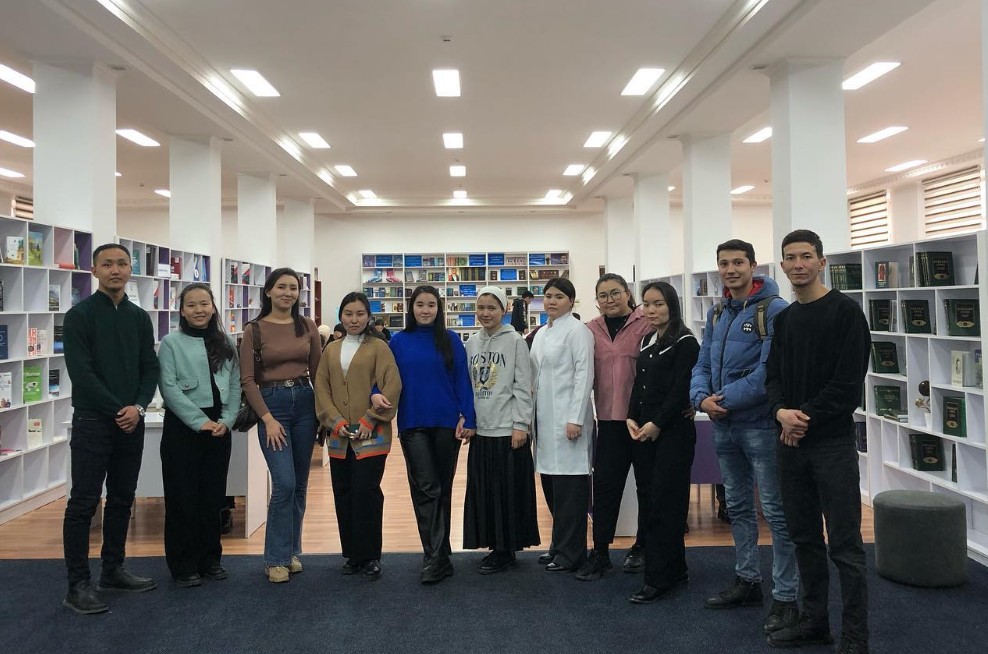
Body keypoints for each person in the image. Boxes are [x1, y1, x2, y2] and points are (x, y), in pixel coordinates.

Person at [765, 230, 871, 653]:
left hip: (831, 445)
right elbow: (773, 377)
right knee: (804, 538)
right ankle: (815, 622)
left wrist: (800, 417)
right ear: (783, 265)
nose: (798, 264)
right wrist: (780, 412)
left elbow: (847, 386)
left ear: (822, 262)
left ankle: (855, 636)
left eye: (806, 256)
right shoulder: (785, 319)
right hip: (790, 445)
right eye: (790, 258)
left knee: (845, 546)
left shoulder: (846, 313)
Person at [689, 239, 799, 634]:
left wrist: (722, 400)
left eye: (738, 262)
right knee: (737, 506)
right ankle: (748, 580)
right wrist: (700, 398)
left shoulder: (775, 310)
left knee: (776, 512)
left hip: (760, 427)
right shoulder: (718, 311)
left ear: (753, 266)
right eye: (724, 263)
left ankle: (786, 597)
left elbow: (769, 372)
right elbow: (703, 362)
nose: (730, 270)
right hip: (724, 426)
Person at [61, 243, 160, 615]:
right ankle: (77, 585)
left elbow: (150, 367)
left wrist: (138, 407)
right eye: (107, 264)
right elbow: (81, 373)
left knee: (122, 498)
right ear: (94, 271)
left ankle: (113, 570)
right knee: (84, 503)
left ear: (130, 269)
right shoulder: (80, 316)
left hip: (131, 422)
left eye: (121, 263)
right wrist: (119, 408)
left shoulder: (138, 317)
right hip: (93, 421)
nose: (115, 270)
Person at [375, 285, 476, 584]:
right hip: (413, 423)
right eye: (420, 304)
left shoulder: (451, 340)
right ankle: (435, 557)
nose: (425, 310)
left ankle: (439, 553)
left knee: (442, 488)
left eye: (431, 305)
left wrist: (468, 415)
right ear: (411, 307)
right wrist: (374, 392)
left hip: (446, 423)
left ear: (439, 308)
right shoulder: (398, 342)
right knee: (425, 488)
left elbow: (462, 379)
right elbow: (383, 376)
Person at [240, 268, 321, 583]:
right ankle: (274, 559)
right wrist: (267, 418)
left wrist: (323, 413)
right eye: (282, 287)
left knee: (299, 485)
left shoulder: (307, 326)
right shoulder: (254, 330)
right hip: (272, 405)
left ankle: (291, 552)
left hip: (305, 403)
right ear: (269, 292)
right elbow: (248, 380)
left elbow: (318, 372)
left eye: (293, 288)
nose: (288, 293)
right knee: (284, 483)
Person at [314, 292, 401, 580]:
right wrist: (335, 421)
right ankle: (352, 554)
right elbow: (322, 388)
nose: (354, 319)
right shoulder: (331, 349)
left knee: (367, 491)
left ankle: (370, 555)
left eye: (360, 314)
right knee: (344, 492)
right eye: (348, 314)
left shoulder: (379, 347)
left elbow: (392, 385)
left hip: (372, 434)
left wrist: (370, 418)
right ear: (341, 316)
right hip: (339, 436)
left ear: (369, 317)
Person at [157, 283, 240, 588]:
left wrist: (227, 420)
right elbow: (168, 388)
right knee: (183, 498)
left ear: (213, 307)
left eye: (204, 304)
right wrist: (199, 421)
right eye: (191, 305)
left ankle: (210, 560)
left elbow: (235, 385)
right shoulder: (171, 343)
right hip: (184, 429)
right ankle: (183, 564)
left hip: (219, 429)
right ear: (182, 310)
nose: (199, 310)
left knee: (212, 497)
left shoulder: (226, 342)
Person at [625, 281, 699, 603]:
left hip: (672, 434)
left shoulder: (686, 342)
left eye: (658, 304)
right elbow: (639, 384)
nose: (651, 310)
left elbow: (681, 390)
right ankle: (675, 570)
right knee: (651, 502)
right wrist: (631, 416)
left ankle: (658, 579)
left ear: (672, 305)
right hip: (644, 433)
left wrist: (657, 423)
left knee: (667, 506)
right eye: (647, 304)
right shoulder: (647, 340)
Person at [577, 273, 653, 581]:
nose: (609, 300)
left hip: (642, 422)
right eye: (603, 295)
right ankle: (600, 552)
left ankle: (642, 546)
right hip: (608, 421)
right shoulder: (590, 329)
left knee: (647, 486)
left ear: (628, 293)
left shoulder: (646, 323)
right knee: (605, 488)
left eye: (615, 293)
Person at [463, 286, 540, 574]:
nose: (485, 313)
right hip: (482, 431)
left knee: (507, 493)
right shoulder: (471, 343)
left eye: (492, 308)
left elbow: (524, 385)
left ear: (504, 310)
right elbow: (468, 386)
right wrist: (467, 420)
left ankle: (506, 550)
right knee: (486, 492)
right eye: (481, 307)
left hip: (508, 431)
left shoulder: (516, 341)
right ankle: (494, 545)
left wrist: (521, 424)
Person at [530, 277, 595, 573]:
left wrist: (575, 418)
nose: (552, 301)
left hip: (570, 424)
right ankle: (558, 546)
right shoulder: (542, 332)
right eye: (548, 296)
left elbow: (584, 375)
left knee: (571, 492)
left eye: (558, 296)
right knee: (553, 489)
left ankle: (572, 553)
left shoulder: (578, 331)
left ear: (571, 300)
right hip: (545, 422)